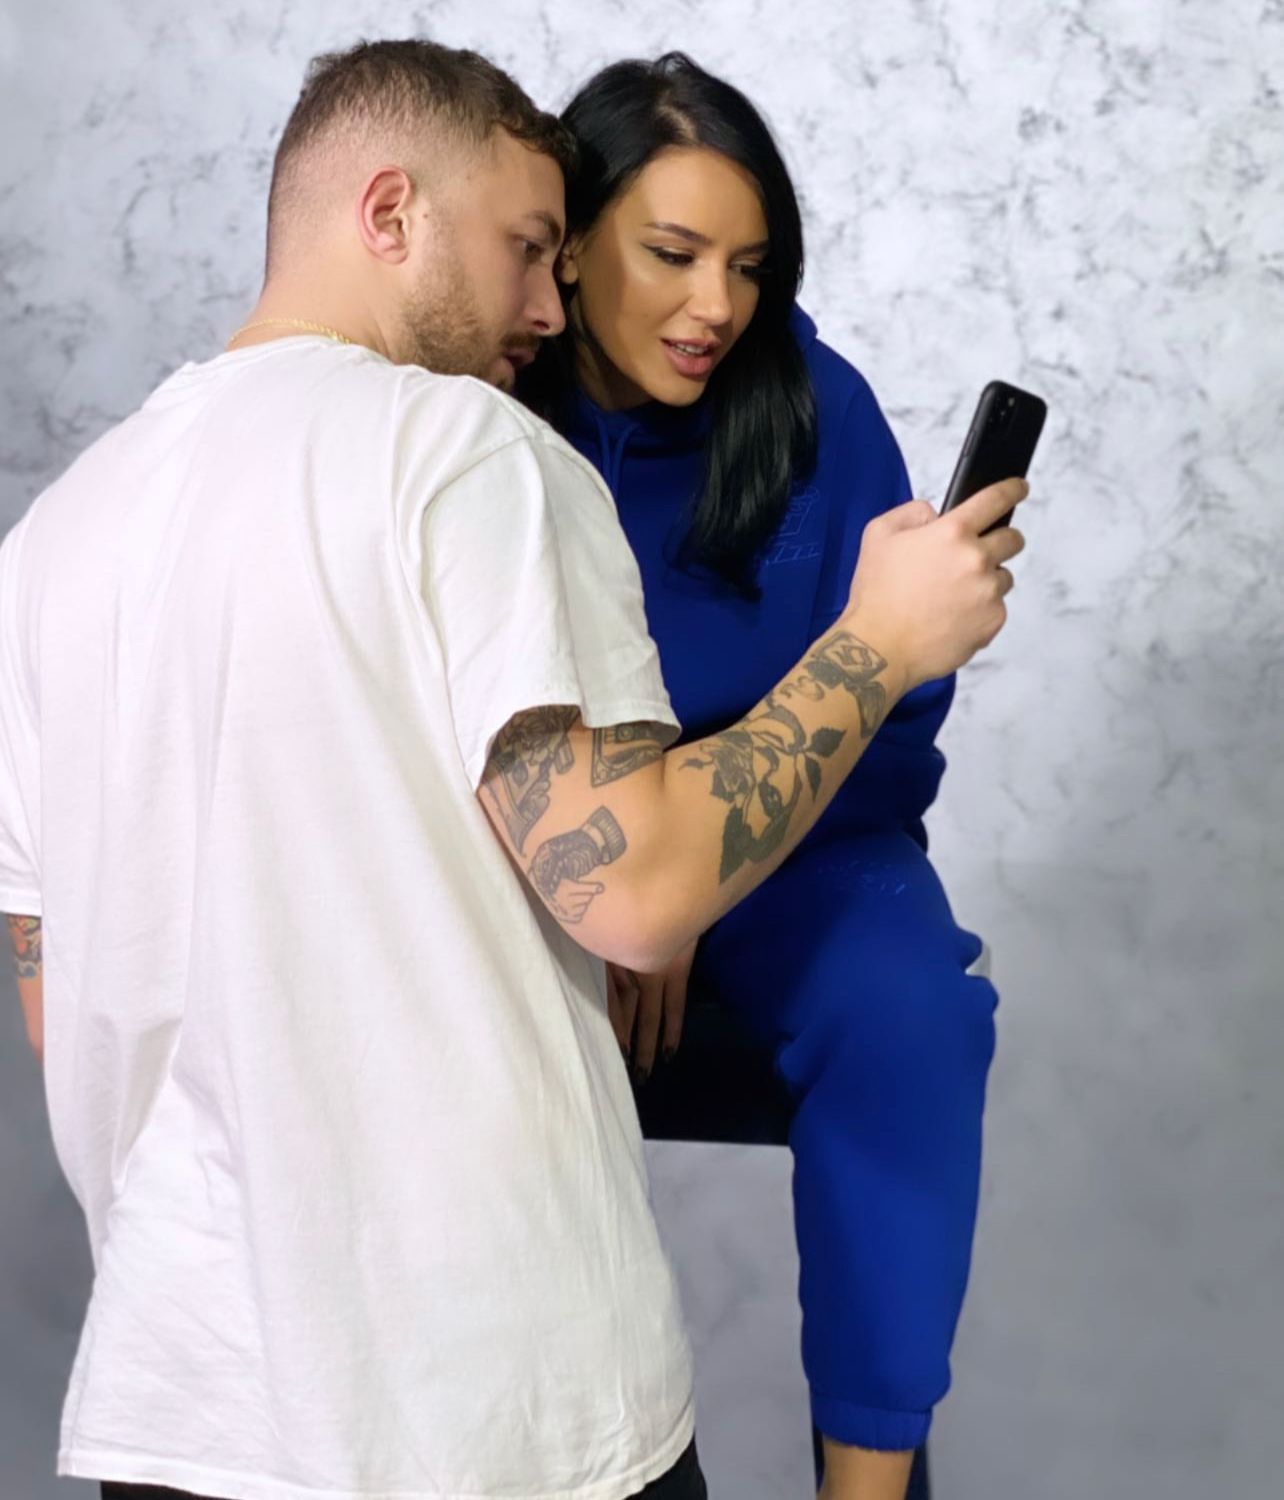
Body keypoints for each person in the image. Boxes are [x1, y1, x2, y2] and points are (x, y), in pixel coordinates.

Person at [0, 37, 1023, 1500]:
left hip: (182, 1409)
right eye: (531, 247)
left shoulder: (49, 544)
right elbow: (639, 891)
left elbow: (62, 986)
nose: (540, 304)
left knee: (909, 1010)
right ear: (392, 212)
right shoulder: (471, 446)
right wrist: (877, 639)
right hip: (502, 1413)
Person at [520, 53, 1007, 1500]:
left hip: (796, 847)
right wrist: (632, 885)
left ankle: (866, 1483)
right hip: (551, 860)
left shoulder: (815, 400)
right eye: (673, 254)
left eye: (748, 265)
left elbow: (896, 710)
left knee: (916, 1012)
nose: (717, 305)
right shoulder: (488, 416)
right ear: (572, 240)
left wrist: (705, 874)